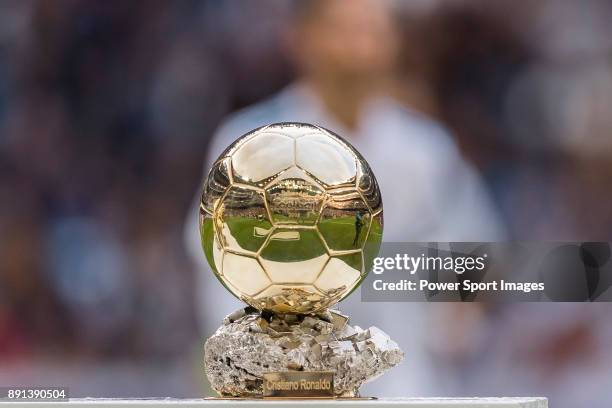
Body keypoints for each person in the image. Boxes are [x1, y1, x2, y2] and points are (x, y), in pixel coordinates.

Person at [185, 0, 504, 396]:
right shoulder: (252, 144)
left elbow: (472, 253)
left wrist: (458, 309)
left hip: (407, 383)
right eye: (344, 30)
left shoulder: (424, 149)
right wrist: (258, 366)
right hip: (290, 385)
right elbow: (217, 266)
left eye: (373, 31)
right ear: (302, 39)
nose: (360, 47)